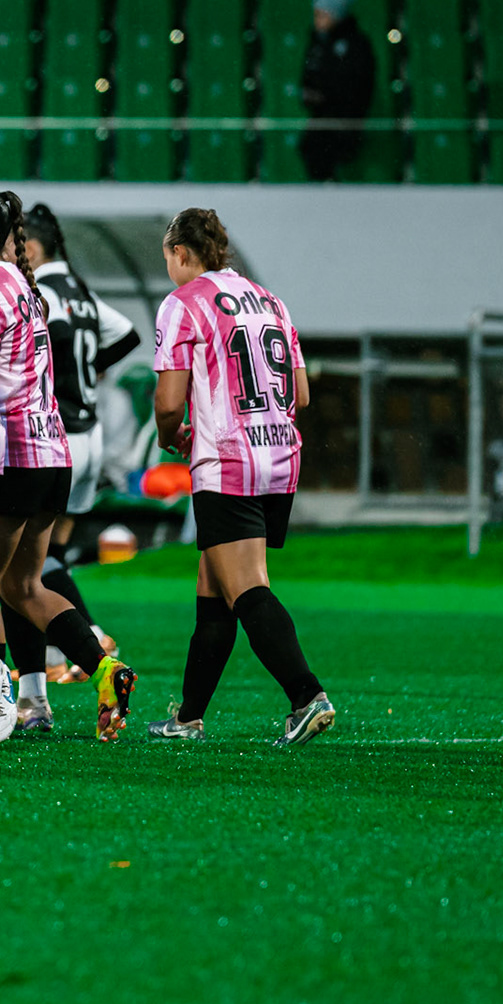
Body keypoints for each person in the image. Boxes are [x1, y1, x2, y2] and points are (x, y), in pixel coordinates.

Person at [141, 208, 336, 748]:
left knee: (247, 586)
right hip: (280, 456)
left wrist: (169, 434)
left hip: (228, 459)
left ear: (181, 253)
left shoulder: (183, 303)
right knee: (215, 589)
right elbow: (301, 393)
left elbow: (169, 399)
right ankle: (188, 717)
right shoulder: (271, 301)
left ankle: (307, 695)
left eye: (168, 259)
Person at [0, 190, 134, 741]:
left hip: (14, 457)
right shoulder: (23, 287)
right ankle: (99, 671)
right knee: (23, 586)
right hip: (54, 452)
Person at [24, 202, 139, 687]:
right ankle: (57, 653)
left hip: (60, 435)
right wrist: (88, 370)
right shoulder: (82, 293)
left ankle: (90, 635)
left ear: (29, 246)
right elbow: (128, 335)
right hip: (89, 432)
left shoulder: (40, 291)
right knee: (55, 553)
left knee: (32, 555)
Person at [299, 0, 377, 182]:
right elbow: (308, 74)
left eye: (322, 15)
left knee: (333, 154)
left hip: (345, 118)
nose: (318, 20)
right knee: (312, 153)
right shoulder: (317, 43)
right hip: (321, 117)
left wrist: (329, 96)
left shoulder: (356, 44)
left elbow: (359, 83)